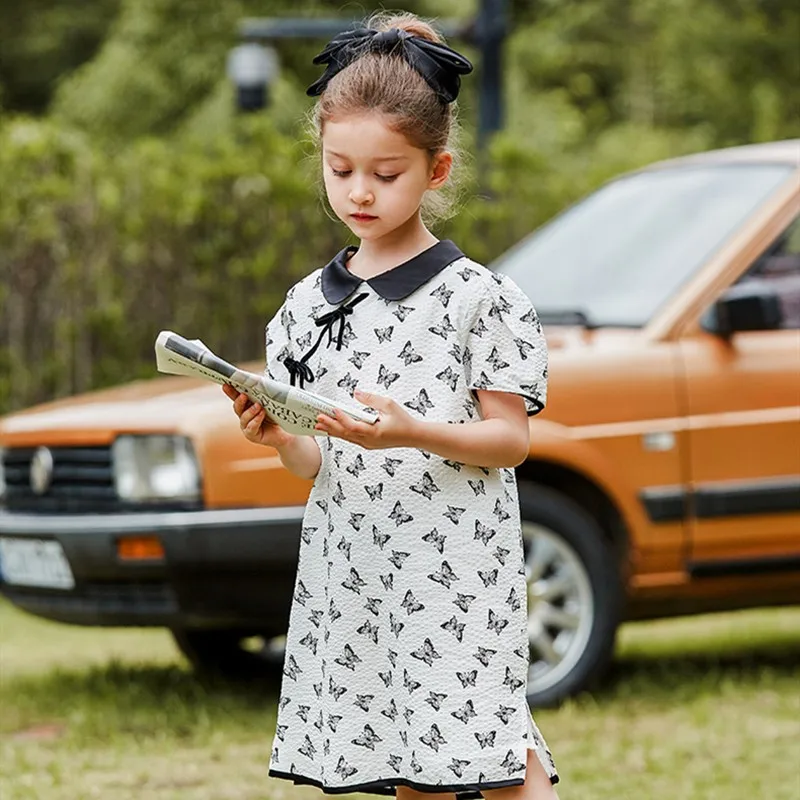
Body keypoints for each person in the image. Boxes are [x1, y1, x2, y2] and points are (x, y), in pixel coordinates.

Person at [223, 11, 560, 800]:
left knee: (493, 756)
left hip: (453, 569)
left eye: (386, 172)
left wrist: (411, 433)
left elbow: (510, 440)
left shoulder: (479, 299)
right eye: (340, 170)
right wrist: (277, 435)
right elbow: (316, 460)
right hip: (355, 571)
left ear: (436, 170)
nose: (359, 192)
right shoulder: (305, 305)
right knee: (407, 767)